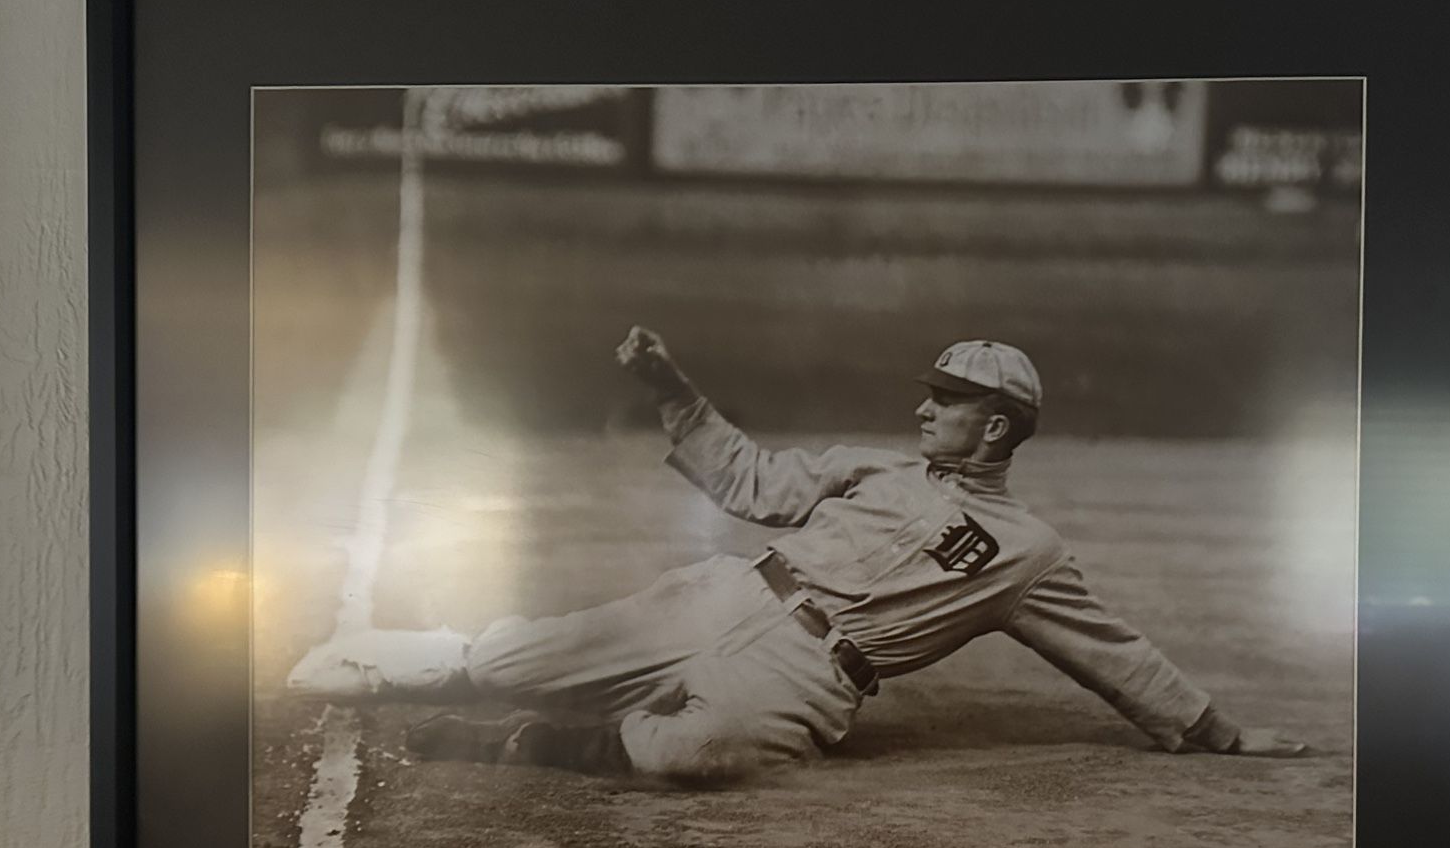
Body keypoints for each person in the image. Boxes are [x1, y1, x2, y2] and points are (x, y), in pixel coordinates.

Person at [287, 328, 1309, 783]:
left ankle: (550, 744)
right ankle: (443, 657)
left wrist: (1213, 732)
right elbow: (753, 484)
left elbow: (1112, 650)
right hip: (723, 593)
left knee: (680, 755)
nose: (922, 406)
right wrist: (670, 386)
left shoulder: (1027, 554)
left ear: (994, 429)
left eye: (945, 400)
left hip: (812, 672)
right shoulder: (874, 467)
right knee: (511, 661)